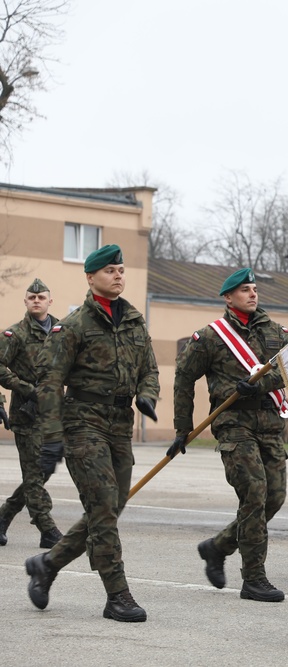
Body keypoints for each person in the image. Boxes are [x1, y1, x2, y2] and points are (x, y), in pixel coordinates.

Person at [24, 244, 160, 622]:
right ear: (91, 277)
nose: (118, 275)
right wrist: (53, 436)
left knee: (111, 507)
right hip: (83, 422)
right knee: (102, 509)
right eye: (110, 270)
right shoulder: (74, 325)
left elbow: (150, 369)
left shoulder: (134, 320)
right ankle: (118, 595)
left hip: (120, 425)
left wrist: (147, 396)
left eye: (121, 269)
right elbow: (49, 381)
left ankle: (48, 564)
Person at [172, 267, 288, 602]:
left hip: (269, 425)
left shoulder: (276, 332)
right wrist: (183, 427)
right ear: (228, 297)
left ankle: (219, 546)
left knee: (275, 497)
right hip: (234, 426)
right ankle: (254, 578)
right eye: (244, 290)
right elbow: (184, 377)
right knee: (254, 492)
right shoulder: (211, 337)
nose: (253, 294)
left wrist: (262, 384)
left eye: (254, 288)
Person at [0, 278, 62, 548]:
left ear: (50, 301)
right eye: (31, 297)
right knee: (35, 474)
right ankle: (48, 530)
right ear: (25, 302)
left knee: (40, 473)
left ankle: (3, 517)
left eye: (41, 297)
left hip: (56, 415)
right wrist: (27, 389)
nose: (36, 300)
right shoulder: (15, 335)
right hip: (27, 415)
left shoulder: (63, 331)